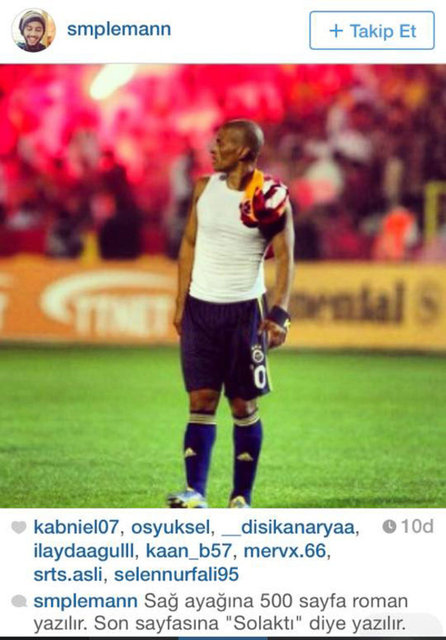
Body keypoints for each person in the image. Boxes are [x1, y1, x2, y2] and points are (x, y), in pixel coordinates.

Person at [167, 119, 295, 509]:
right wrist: (180, 301)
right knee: (200, 400)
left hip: (245, 314)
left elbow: (286, 257)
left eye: (220, 142)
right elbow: (189, 243)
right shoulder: (203, 188)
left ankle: (241, 497)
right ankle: (196, 493)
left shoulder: (270, 198)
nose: (212, 149)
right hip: (201, 310)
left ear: (242, 151)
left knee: (243, 405)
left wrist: (280, 312)